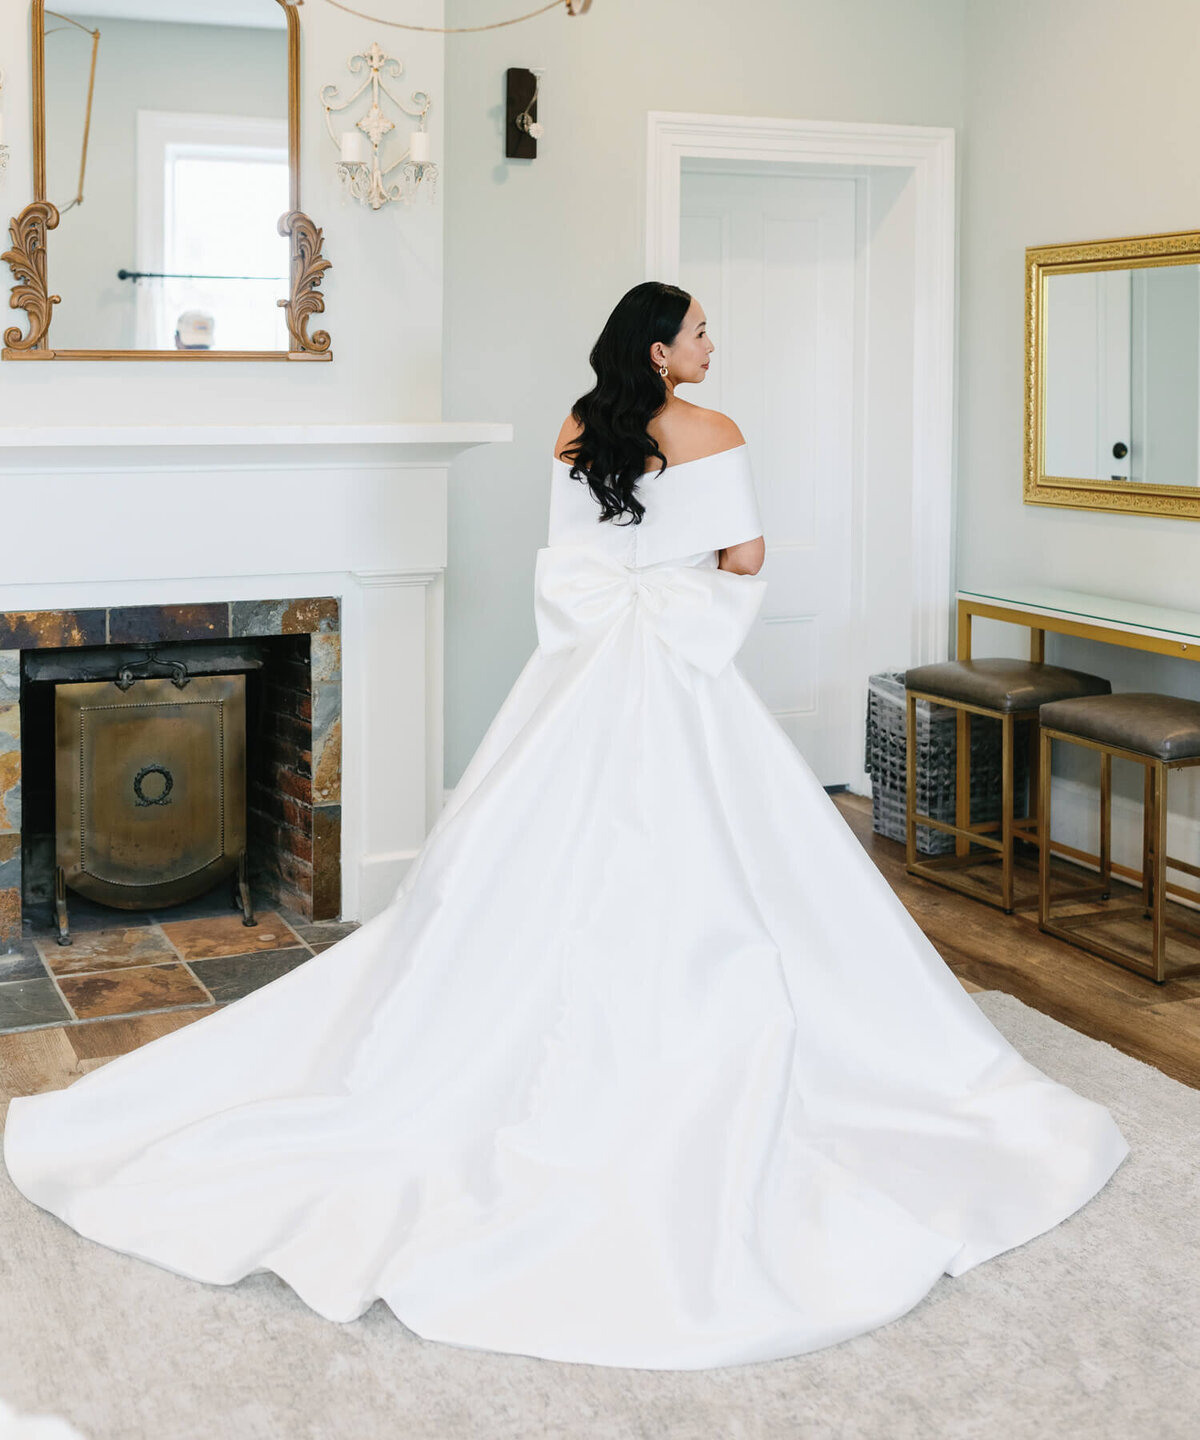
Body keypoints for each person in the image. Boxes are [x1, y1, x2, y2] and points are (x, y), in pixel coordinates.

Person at [2, 281, 1127, 1372]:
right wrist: (689, 563)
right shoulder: (714, 429)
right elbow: (745, 561)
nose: (710, 345)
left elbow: (581, 560)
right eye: (698, 331)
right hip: (674, 675)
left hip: (585, 679)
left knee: (519, 860)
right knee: (734, 870)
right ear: (658, 350)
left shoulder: (576, 426)